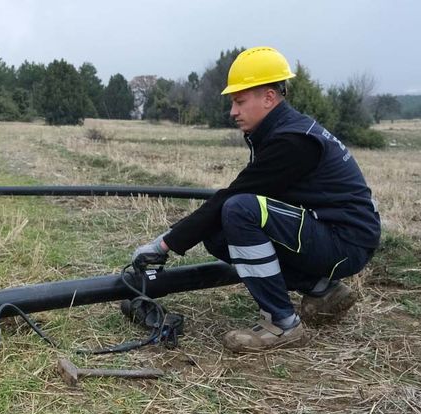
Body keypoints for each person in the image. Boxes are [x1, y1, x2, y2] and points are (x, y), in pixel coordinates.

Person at [131, 47, 380, 353]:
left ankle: (283, 324)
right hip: (329, 231)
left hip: (346, 242)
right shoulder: (283, 131)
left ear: (269, 97)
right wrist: (176, 238)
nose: (232, 112)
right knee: (219, 232)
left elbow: (235, 197)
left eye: (239, 101)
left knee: (239, 209)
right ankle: (321, 288)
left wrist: (164, 245)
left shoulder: (293, 142)